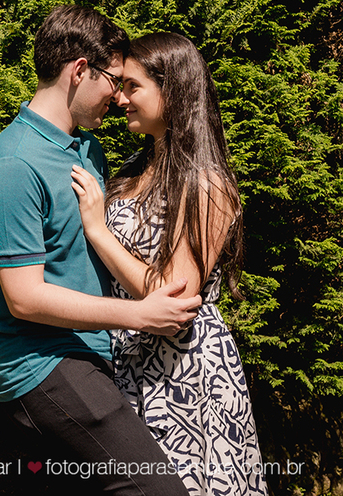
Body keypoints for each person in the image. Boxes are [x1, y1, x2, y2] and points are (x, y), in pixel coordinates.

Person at [0, 5, 199, 495]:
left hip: (89, 357)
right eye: (112, 80)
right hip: (41, 363)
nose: (118, 97)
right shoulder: (14, 164)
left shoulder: (85, 150)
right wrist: (140, 315)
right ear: (79, 70)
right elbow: (24, 298)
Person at [70, 32, 268, 495]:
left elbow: (173, 296)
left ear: (172, 90)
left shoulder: (207, 185)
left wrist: (98, 229)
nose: (119, 98)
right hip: (128, 361)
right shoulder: (134, 169)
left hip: (184, 374)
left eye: (133, 87)